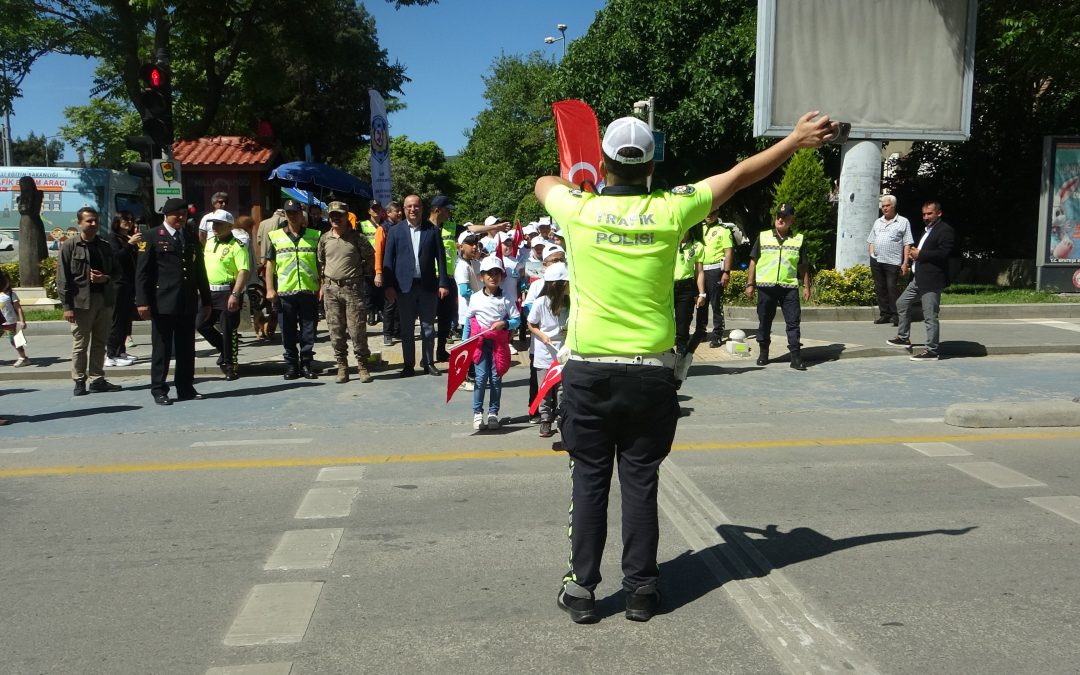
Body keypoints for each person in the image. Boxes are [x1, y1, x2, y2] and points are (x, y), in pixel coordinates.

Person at [535, 110, 835, 623]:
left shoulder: (577, 209)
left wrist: (577, 181)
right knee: (640, 482)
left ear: (605, 163)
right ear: (652, 167)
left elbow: (545, 182)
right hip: (650, 373)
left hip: (588, 372)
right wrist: (794, 140)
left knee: (588, 481)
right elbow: (742, 174)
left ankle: (582, 591)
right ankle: (642, 591)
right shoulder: (672, 209)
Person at [136, 198, 213, 405]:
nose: (180, 218)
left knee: (186, 348)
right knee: (161, 348)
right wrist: (142, 302)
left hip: (186, 301)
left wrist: (206, 300)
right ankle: (159, 389)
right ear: (166, 215)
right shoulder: (151, 236)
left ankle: (185, 386)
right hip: (162, 302)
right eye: (176, 214)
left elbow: (200, 272)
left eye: (184, 214)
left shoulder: (189, 237)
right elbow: (142, 273)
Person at [55, 206, 124, 395]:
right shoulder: (70, 246)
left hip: (104, 300)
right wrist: (67, 307)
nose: (93, 224)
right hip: (80, 303)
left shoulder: (104, 246)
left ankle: (97, 378)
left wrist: (105, 278)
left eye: (95, 220)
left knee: (100, 341)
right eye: (89, 221)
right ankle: (79, 380)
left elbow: (117, 273)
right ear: (79, 223)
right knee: (80, 343)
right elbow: (62, 279)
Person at [381, 194, 451, 377]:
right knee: (407, 328)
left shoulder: (433, 230)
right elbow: (388, 259)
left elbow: (441, 260)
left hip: (428, 286)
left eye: (416, 206)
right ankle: (408, 364)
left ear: (422, 208)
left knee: (428, 327)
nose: (413, 209)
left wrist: (443, 283)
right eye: (409, 206)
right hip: (404, 287)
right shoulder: (395, 231)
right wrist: (388, 286)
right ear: (404, 209)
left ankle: (428, 362)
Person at [745, 203, 812, 371]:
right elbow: (753, 260)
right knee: (764, 321)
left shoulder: (799, 239)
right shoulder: (763, 236)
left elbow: (803, 265)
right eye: (778, 216)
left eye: (784, 217)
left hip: (788, 287)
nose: (780, 219)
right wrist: (750, 283)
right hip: (766, 286)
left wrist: (806, 286)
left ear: (791, 220)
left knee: (793, 322)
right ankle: (764, 353)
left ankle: (795, 356)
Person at [887, 200, 955, 361]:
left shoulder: (945, 230)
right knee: (902, 303)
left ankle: (932, 350)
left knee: (930, 315)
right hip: (919, 278)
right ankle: (903, 337)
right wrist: (914, 255)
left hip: (932, 280)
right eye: (924, 214)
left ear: (939, 213)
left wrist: (920, 255)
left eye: (929, 213)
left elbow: (944, 254)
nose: (926, 217)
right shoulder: (928, 230)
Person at [318, 201, 375, 384]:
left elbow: (370, 258)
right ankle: (342, 365)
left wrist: (361, 276)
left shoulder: (357, 238)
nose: (335, 218)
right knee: (335, 330)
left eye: (339, 215)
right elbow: (321, 261)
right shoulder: (325, 238)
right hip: (331, 289)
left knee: (357, 329)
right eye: (332, 215)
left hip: (353, 289)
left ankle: (362, 365)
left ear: (346, 216)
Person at [265, 199, 321, 380]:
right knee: (287, 331)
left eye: (295, 212)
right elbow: (269, 265)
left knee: (308, 331)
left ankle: (306, 364)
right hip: (285, 292)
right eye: (289, 213)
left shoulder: (314, 235)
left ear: (301, 213)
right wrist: (269, 288)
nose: (293, 216)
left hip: (308, 290)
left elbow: (321, 264)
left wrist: (322, 286)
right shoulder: (275, 236)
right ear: (285, 215)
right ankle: (291, 366)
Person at [464, 256, 520, 430]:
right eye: (489, 273)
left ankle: (493, 412)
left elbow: (517, 320)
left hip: (499, 345)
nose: (493, 277)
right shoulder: (475, 298)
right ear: (482, 277)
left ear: (502, 277)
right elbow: (469, 320)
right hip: (480, 344)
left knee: (496, 378)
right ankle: (477, 413)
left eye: (497, 273)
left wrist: (505, 324)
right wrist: (465, 343)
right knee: (480, 378)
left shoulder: (508, 297)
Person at [200, 210, 250, 380]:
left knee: (228, 329)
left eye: (219, 224)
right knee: (201, 324)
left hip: (227, 291)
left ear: (229, 226)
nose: (215, 227)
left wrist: (235, 294)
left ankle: (230, 365)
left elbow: (243, 271)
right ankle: (223, 348)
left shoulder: (237, 245)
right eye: (213, 224)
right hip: (209, 291)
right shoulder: (209, 242)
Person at [528, 261, 570, 438]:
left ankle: (561, 418)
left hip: (563, 351)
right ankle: (545, 418)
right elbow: (531, 323)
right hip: (545, 350)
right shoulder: (540, 303)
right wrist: (542, 335)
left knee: (562, 388)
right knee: (545, 388)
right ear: (555, 285)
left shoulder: (570, 303)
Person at [868, 194, 914, 326]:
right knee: (880, 288)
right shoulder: (878, 221)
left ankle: (896, 315)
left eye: (887, 205)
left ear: (893, 206)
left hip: (893, 261)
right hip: (877, 260)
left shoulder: (903, 222)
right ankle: (885, 314)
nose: (884, 208)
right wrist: (871, 254)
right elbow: (871, 240)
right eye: (883, 206)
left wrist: (905, 263)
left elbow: (907, 243)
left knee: (891, 287)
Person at [672, 223, 708, 386]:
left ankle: (679, 365)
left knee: (682, 327)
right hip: (667, 286)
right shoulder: (670, 241)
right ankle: (665, 360)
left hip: (686, 287)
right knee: (663, 325)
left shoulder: (697, 246)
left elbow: (699, 271)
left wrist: (701, 293)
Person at [453, 230, 484, 391]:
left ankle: (470, 375)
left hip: (476, 314)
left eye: (476, 244)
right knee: (467, 347)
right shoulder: (462, 266)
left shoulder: (473, 263)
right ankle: (464, 378)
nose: (474, 247)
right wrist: (483, 298)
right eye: (470, 244)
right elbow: (465, 291)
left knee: (474, 346)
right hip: (468, 315)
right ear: (460, 246)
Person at [430, 195, 459, 362]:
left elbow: (472, 229)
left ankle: (441, 351)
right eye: (447, 210)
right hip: (429, 279)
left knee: (445, 318)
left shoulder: (451, 227)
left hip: (448, 279)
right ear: (437, 210)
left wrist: (494, 227)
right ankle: (427, 355)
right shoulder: (424, 228)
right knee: (427, 321)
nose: (449, 213)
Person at [701, 210, 734, 347]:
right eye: (707, 212)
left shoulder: (723, 230)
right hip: (701, 270)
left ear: (718, 213)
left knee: (716, 304)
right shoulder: (700, 228)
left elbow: (728, 252)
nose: (709, 215)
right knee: (701, 302)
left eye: (712, 213)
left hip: (715, 270)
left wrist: (726, 272)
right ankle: (700, 332)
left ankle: (717, 334)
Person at [374, 200, 402, 347]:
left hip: (401, 271)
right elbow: (378, 252)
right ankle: (387, 334)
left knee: (400, 303)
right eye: (396, 211)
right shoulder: (382, 229)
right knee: (390, 303)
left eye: (399, 210)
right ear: (388, 213)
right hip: (388, 270)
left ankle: (398, 331)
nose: (399, 213)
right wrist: (378, 272)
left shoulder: (402, 227)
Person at [0, 269, 29, 367]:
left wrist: (22, 321)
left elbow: (19, 308)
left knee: (15, 340)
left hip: (11, 322)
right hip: (1, 322)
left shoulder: (12, 295)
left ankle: (24, 358)